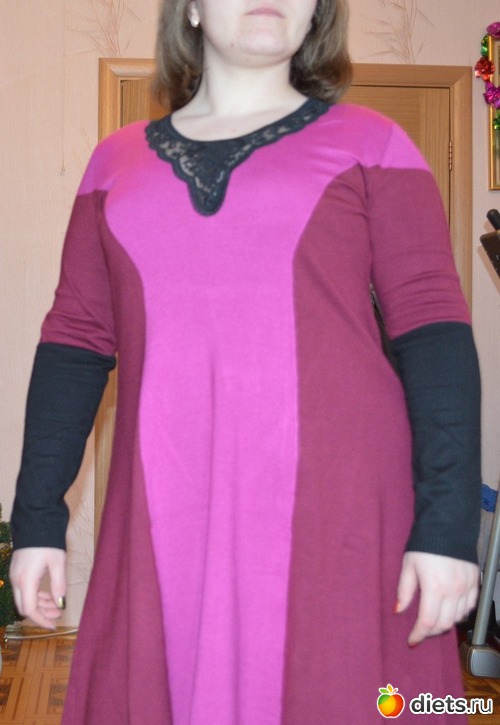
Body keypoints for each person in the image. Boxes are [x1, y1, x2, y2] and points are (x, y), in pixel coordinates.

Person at [10, 1, 481, 722]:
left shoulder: (375, 145)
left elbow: (436, 334)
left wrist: (447, 528)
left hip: (343, 522)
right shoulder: (115, 163)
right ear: (192, 10)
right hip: (166, 519)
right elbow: (74, 342)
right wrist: (37, 517)